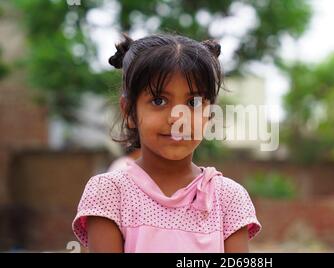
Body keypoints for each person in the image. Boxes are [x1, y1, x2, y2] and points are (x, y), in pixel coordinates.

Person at [72, 33, 261, 253]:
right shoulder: (110, 193)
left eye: (194, 102)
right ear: (129, 112)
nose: (178, 117)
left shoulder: (228, 198)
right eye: (159, 100)